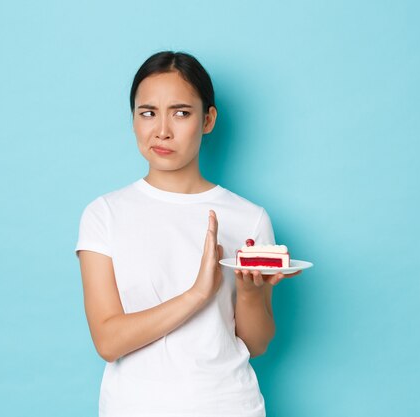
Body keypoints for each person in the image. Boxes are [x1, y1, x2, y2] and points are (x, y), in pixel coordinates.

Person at [75, 51, 300, 417]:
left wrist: (248, 292)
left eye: (181, 112)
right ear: (132, 119)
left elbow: (255, 344)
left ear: (208, 119)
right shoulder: (105, 214)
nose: (162, 130)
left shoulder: (249, 218)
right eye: (147, 112)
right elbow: (108, 340)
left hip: (230, 405)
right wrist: (196, 294)